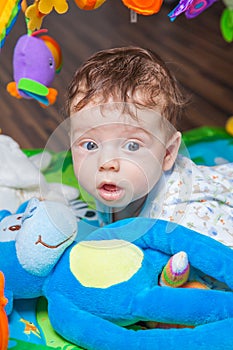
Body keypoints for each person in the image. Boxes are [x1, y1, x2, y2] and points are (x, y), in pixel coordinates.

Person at [66, 46, 233, 248]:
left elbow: (222, 265)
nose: (106, 162)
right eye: (91, 145)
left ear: (167, 153)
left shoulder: (184, 220)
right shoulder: (115, 184)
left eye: (132, 146)